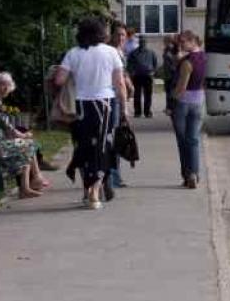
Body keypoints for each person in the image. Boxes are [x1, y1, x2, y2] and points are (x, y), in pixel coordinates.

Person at [54, 17, 128, 209]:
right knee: (102, 147)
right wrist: (125, 109)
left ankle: (87, 190)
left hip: (80, 106)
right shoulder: (111, 52)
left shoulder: (73, 53)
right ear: (101, 33)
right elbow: (119, 83)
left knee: (83, 147)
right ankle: (96, 191)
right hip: (105, 104)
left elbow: (59, 80)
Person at [0, 72, 50, 198]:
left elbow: (3, 125)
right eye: (2, 85)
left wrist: (21, 136)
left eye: (7, 86)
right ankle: (28, 185)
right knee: (27, 145)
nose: (5, 89)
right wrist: (22, 135)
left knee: (27, 145)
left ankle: (29, 184)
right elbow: (7, 126)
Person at [172, 30, 207, 189]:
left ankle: (188, 175)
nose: (181, 45)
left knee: (183, 141)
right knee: (193, 140)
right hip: (199, 102)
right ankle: (195, 174)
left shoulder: (187, 61)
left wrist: (173, 97)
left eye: (184, 42)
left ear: (193, 41)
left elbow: (182, 86)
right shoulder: (204, 58)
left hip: (183, 103)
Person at [108, 22, 134, 188]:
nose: (120, 38)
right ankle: (112, 176)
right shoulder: (109, 52)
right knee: (113, 137)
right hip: (112, 98)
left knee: (116, 136)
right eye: (117, 34)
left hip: (119, 97)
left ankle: (114, 175)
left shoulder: (121, 52)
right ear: (111, 36)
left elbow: (122, 74)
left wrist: (128, 81)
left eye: (123, 35)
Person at [127, 36, 158, 118]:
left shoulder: (151, 52)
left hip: (148, 76)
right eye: (141, 42)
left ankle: (147, 112)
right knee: (137, 94)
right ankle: (137, 112)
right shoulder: (134, 53)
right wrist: (131, 72)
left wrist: (153, 72)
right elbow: (129, 64)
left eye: (144, 42)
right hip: (137, 76)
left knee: (148, 95)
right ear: (139, 43)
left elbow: (155, 63)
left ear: (146, 43)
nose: (142, 43)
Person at [161, 35, 181, 116]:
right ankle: (168, 107)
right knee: (168, 92)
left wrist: (173, 71)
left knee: (171, 92)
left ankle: (171, 108)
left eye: (165, 41)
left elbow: (174, 62)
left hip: (172, 74)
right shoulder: (166, 49)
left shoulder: (173, 50)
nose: (163, 42)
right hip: (167, 74)